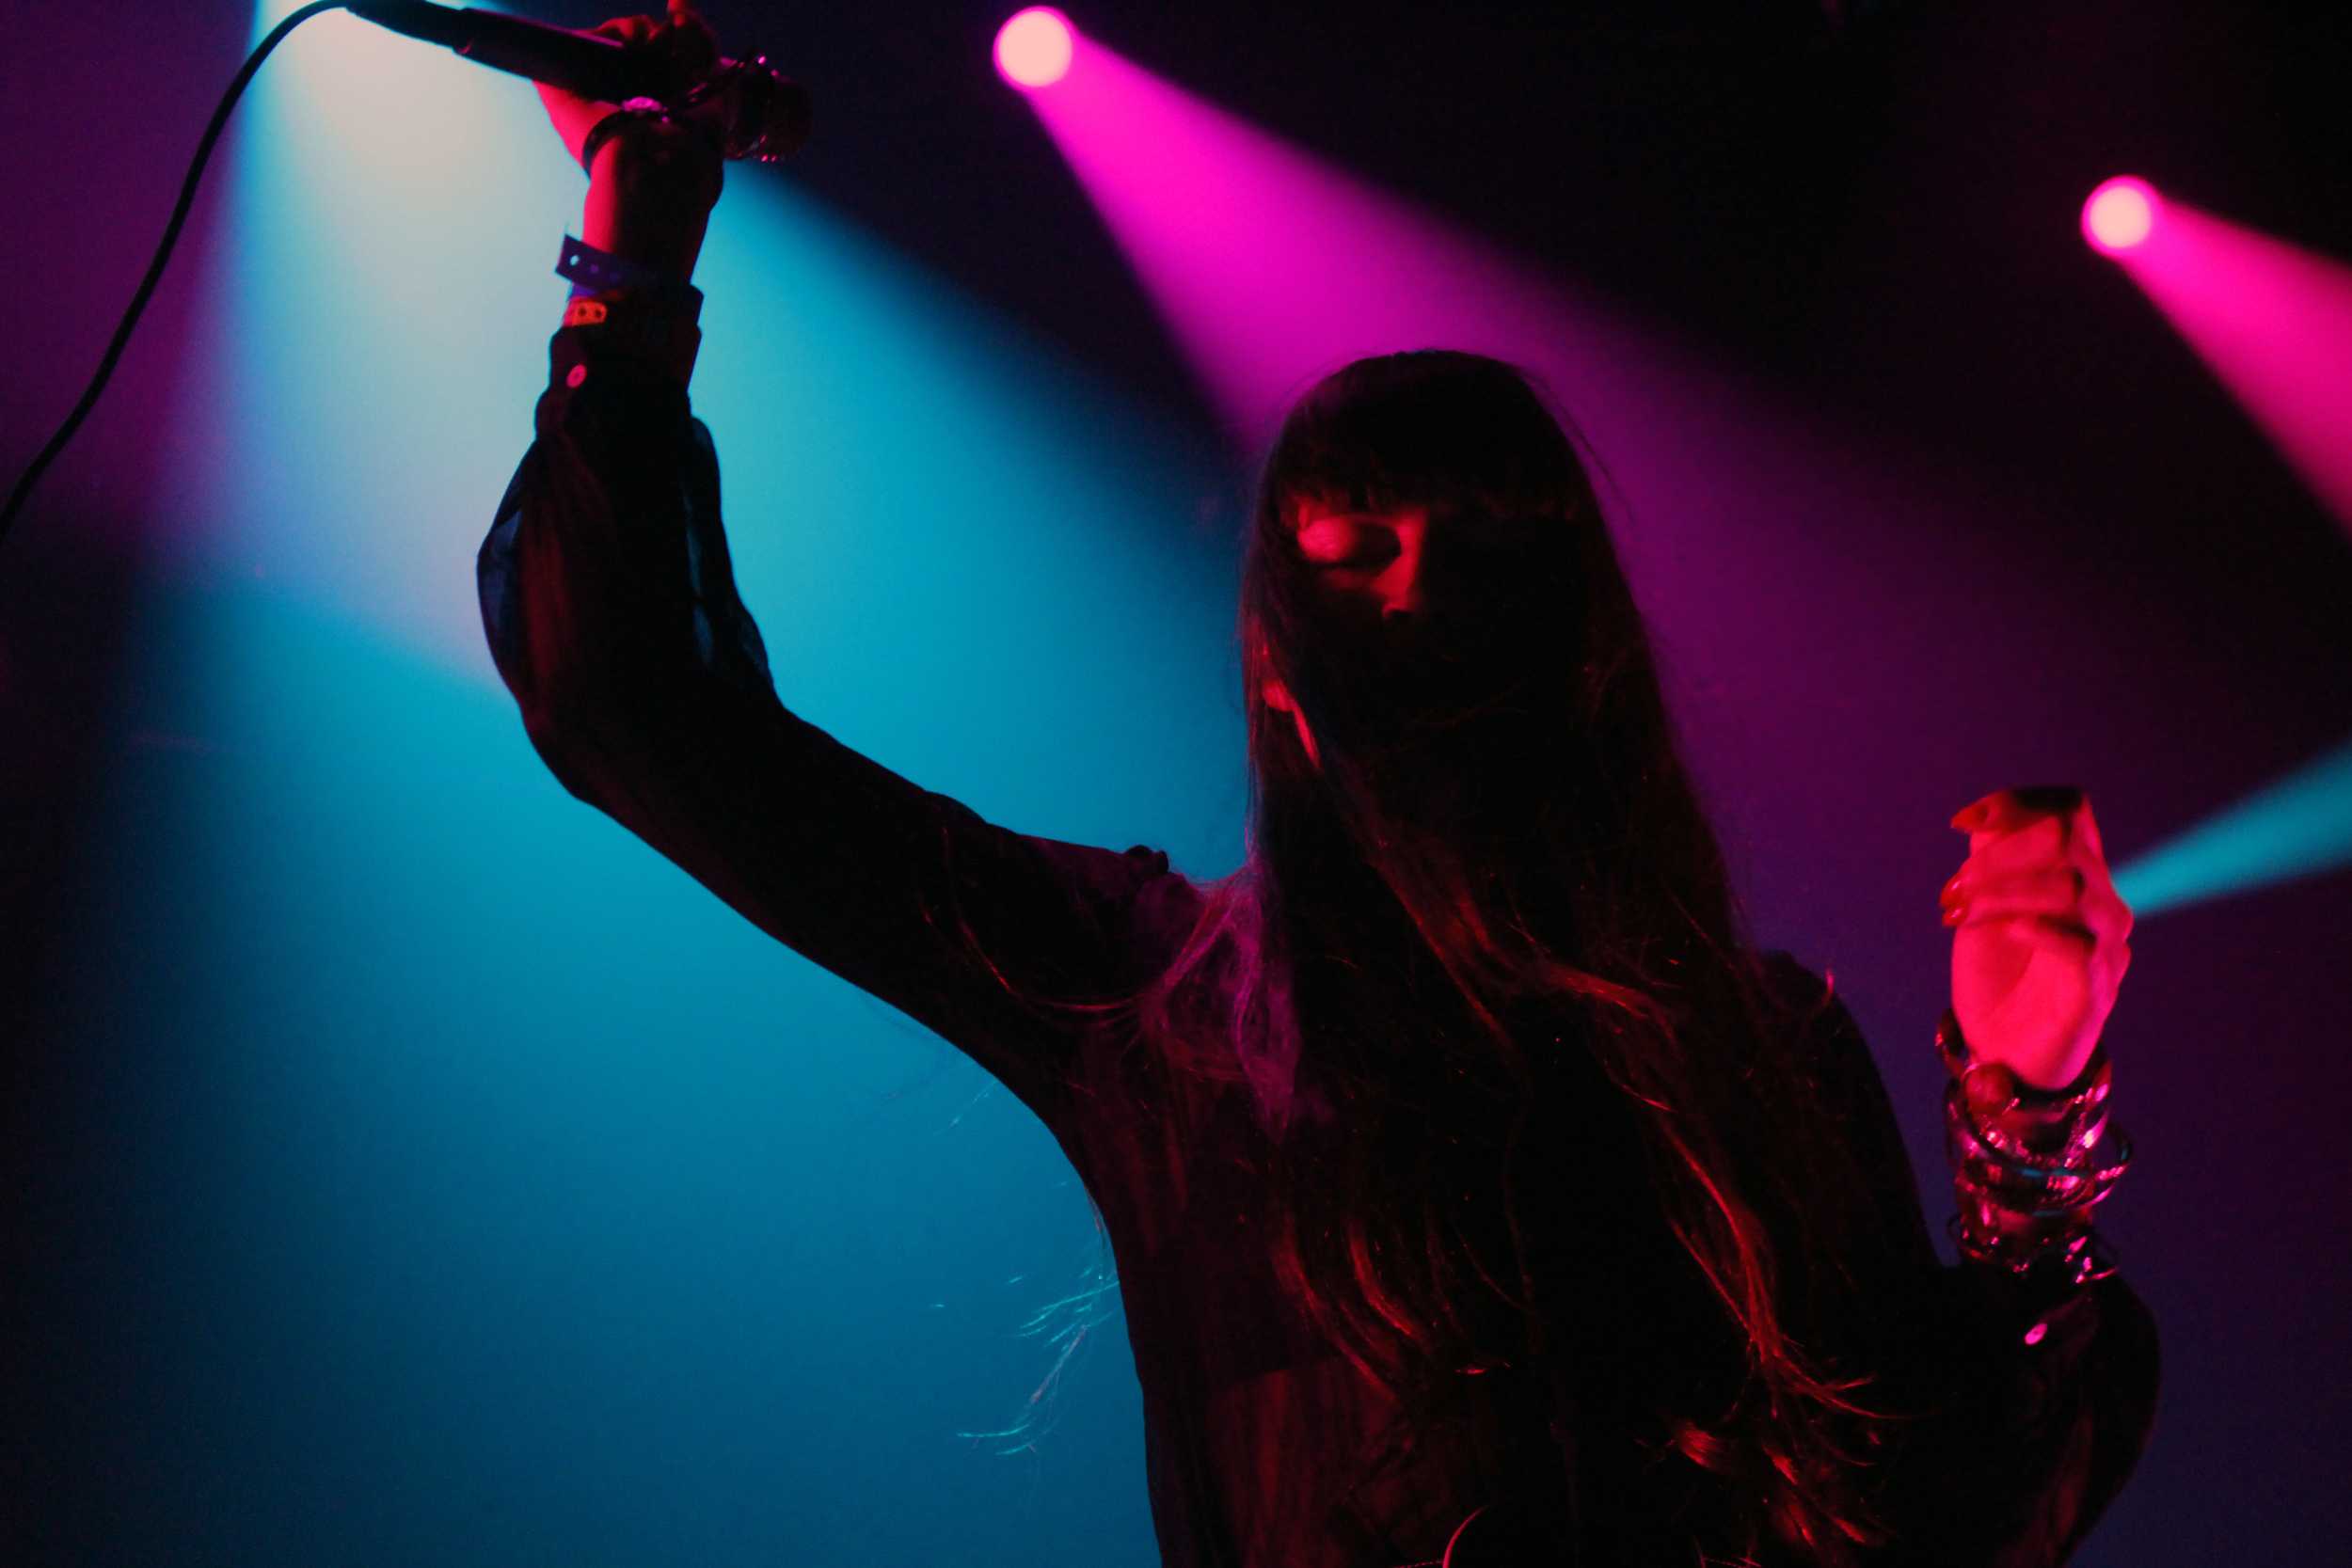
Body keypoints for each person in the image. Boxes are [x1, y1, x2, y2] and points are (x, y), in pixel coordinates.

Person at [479, 8, 2158, 1563]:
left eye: (1492, 550)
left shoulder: (1756, 1047)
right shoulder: (1168, 1005)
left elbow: (1937, 1501)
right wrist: (628, 269)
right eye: (1356, 552)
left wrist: (2028, 1100)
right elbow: (644, 708)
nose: (1424, 597)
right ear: (1278, 670)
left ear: (1586, 649)